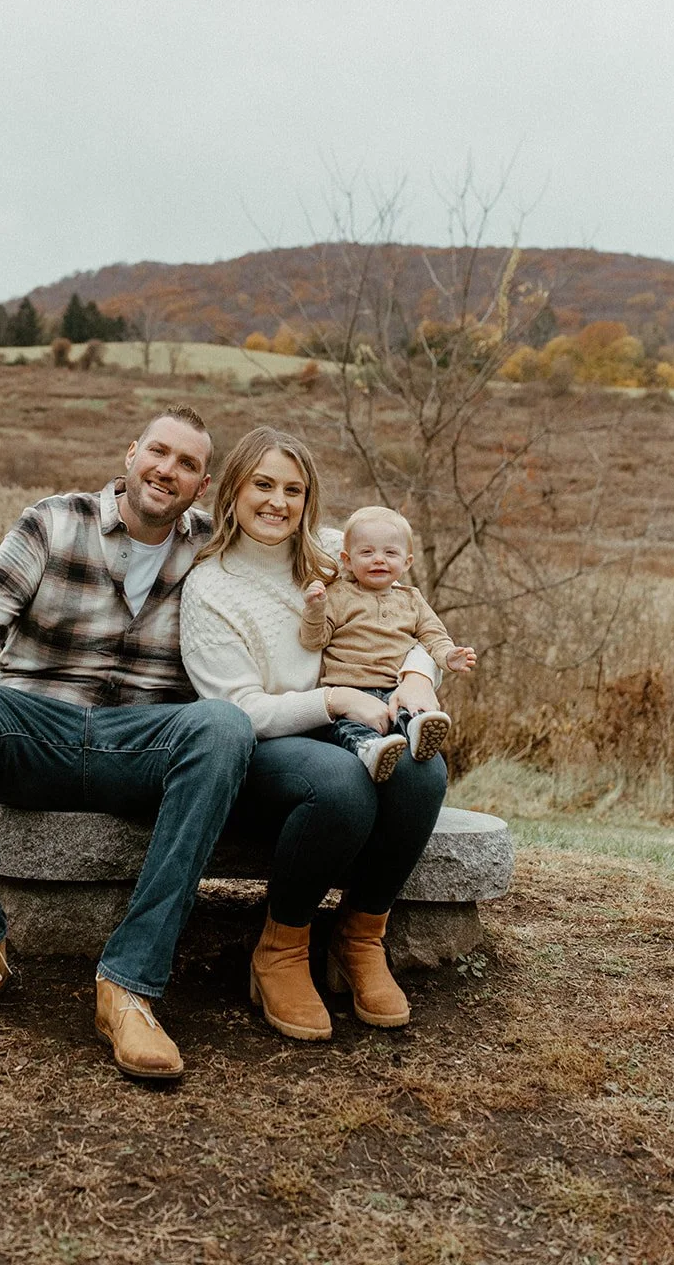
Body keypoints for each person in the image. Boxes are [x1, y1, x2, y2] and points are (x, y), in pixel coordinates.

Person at [0, 404, 254, 1081]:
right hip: (38, 730)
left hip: (142, 745)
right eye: (159, 452)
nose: (168, 470)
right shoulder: (52, 520)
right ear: (130, 454)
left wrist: (399, 627)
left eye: (187, 464)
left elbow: (303, 545)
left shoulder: (214, 546)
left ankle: (128, 985)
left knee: (222, 725)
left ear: (202, 484)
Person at [179, 426, 447, 1042]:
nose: (277, 501)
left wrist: (418, 677)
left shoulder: (335, 552)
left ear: (309, 499)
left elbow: (406, 615)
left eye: (293, 489)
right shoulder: (212, 586)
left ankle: (360, 940)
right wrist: (334, 698)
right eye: (263, 485)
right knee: (340, 785)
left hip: (359, 718)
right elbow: (239, 710)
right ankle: (282, 948)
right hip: (262, 747)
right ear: (233, 493)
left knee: (420, 770)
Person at [300, 504, 476, 783]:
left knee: (410, 711)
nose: (378, 560)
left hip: (396, 690)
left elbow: (433, 634)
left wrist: (447, 656)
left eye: (390, 553)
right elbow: (314, 640)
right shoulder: (337, 596)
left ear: (406, 562)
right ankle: (370, 750)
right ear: (347, 560)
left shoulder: (412, 599)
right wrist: (314, 609)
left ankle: (417, 731)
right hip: (350, 692)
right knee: (348, 729)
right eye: (367, 552)